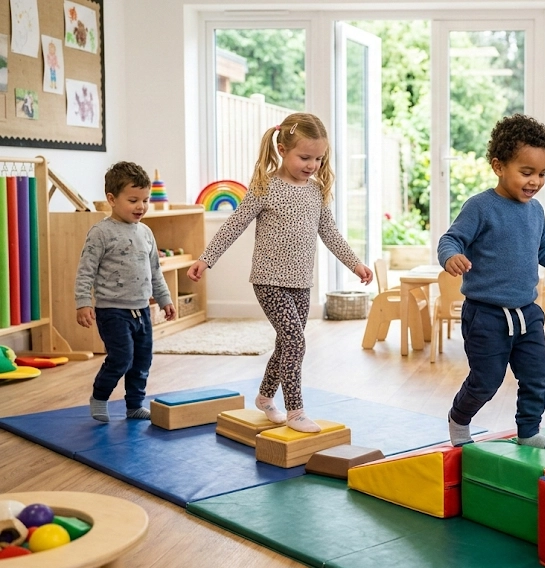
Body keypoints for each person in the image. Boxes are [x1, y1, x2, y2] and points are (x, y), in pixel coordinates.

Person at [187, 113, 373, 433]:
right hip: (269, 279)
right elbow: (235, 224)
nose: (312, 164)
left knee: (288, 344)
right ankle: (295, 410)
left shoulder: (315, 191)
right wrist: (206, 259)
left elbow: (329, 233)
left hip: (301, 282)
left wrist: (354, 263)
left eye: (318, 158)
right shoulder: (265, 187)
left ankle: (263, 397)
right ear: (283, 149)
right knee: (295, 341)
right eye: (304, 157)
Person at [439, 114, 545, 449]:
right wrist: (451, 256)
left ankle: (528, 432)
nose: (535, 181)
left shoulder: (535, 211)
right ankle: (459, 418)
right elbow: (451, 239)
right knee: (486, 381)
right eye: (526, 172)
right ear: (498, 166)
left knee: (537, 376)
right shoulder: (480, 207)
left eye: (542, 174)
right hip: (486, 316)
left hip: (527, 313)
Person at [76, 162, 176, 423]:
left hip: (142, 310)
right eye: (133, 200)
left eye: (145, 200)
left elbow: (155, 270)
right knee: (121, 357)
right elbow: (86, 270)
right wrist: (83, 301)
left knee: (142, 360)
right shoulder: (101, 232)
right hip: (111, 311)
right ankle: (100, 397)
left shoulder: (146, 232)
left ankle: (134, 405)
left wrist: (164, 299)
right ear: (112, 199)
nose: (141, 206)